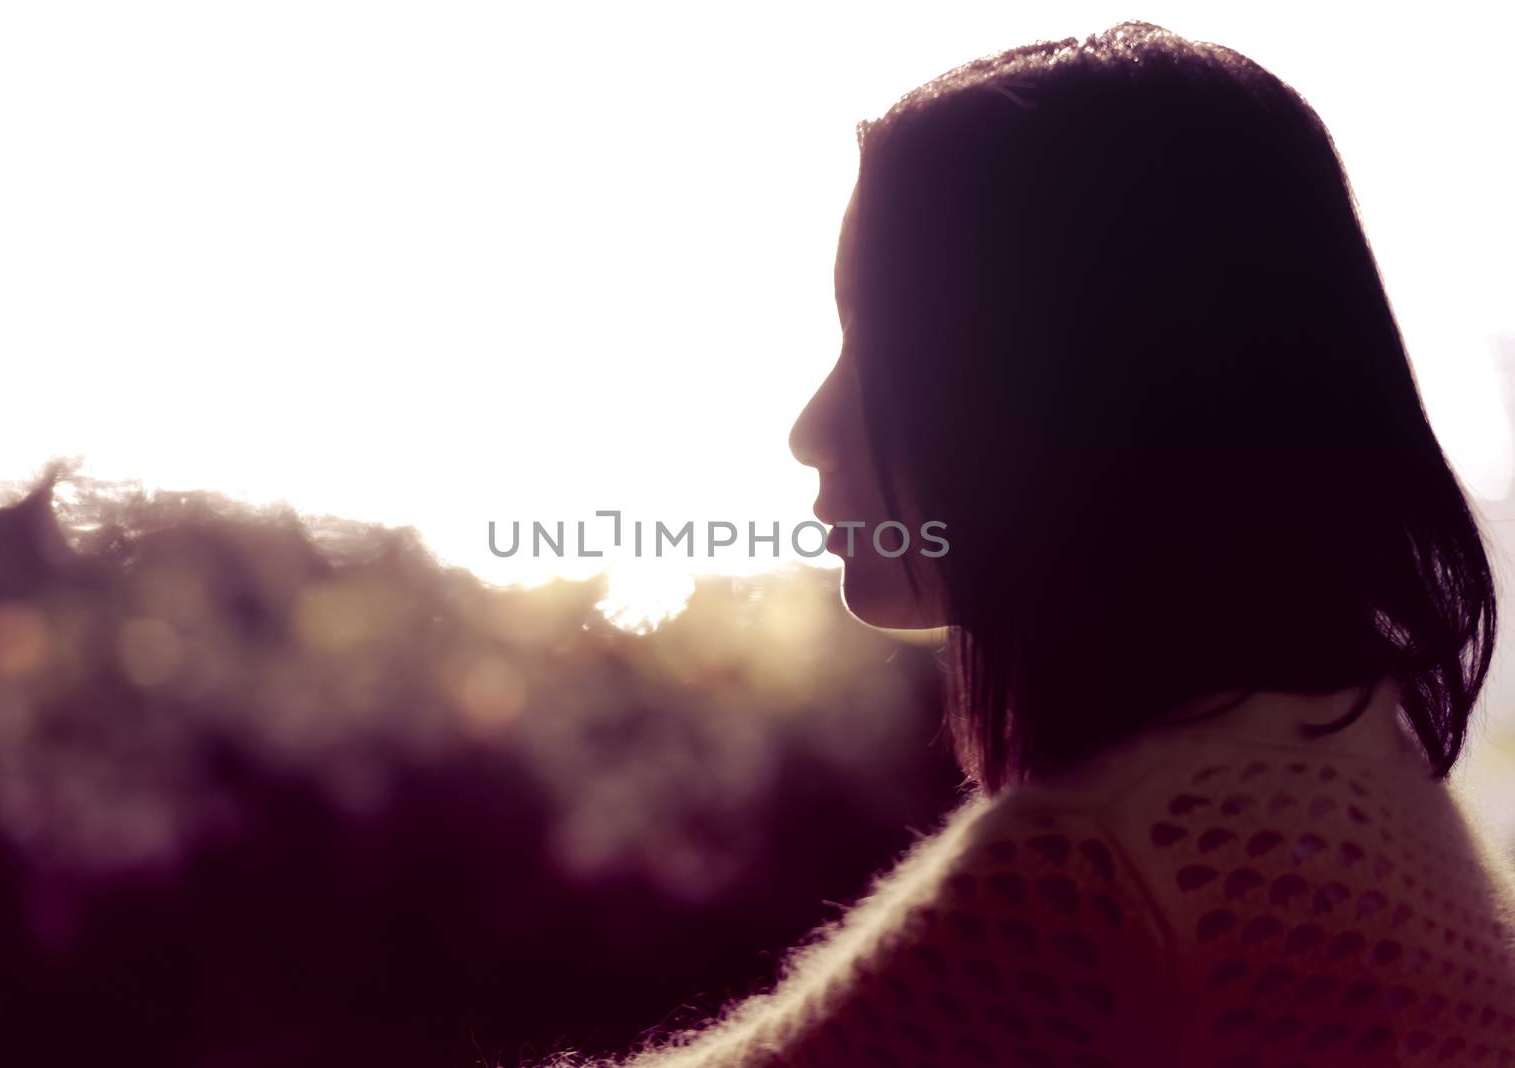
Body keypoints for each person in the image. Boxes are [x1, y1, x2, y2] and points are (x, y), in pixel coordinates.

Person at [553, 20, 1515, 1068]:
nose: (811, 428)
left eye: (883, 344)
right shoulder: (1341, 765)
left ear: (1064, 388)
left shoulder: (1108, 875)